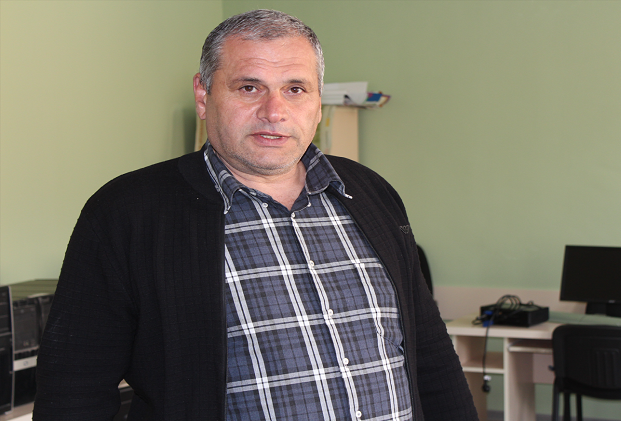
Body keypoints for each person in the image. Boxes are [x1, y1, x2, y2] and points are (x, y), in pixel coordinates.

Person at [34, 9, 477, 421]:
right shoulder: (128, 212)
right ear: (204, 95)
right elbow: (74, 388)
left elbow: (429, 352)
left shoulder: (369, 193)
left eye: (295, 89)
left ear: (317, 102)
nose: (274, 112)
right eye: (249, 87)